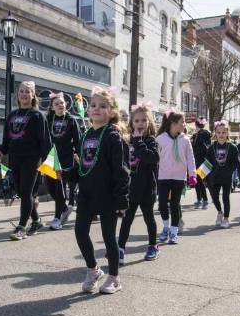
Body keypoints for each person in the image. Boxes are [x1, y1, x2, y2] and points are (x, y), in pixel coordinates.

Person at [76, 86, 129, 294]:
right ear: (88, 110)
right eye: (93, 105)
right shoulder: (86, 134)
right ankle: (93, 269)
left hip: (108, 195)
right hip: (87, 194)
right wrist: (68, 172)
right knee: (80, 232)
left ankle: (114, 277)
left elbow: (122, 170)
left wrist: (121, 199)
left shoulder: (114, 136)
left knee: (109, 238)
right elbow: (84, 166)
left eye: (103, 106)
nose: (97, 109)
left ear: (112, 111)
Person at [0, 81, 51, 240]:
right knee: (21, 192)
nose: (24, 94)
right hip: (15, 159)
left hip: (32, 159)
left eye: (28, 91)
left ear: (33, 95)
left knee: (26, 192)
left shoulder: (37, 115)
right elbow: (7, 139)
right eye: (21, 91)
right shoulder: (12, 115)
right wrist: (1, 151)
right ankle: (36, 220)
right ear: (17, 94)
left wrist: (48, 163)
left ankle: (21, 227)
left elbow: (45, 141)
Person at [118, 101, 160, 263]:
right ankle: (120, 248)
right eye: (136, 121)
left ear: (149, 122)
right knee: (127, 219)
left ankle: (153, 245)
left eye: (143, 120)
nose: (140, 124)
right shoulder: (127, 141)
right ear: (131, 123)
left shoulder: (150, 141)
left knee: (149, 218)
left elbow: (152, 157)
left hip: (147, 188)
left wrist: (138, 141)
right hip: (131, 189)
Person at [156, 110, 196, 243]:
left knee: (174, 205)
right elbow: (155, 158)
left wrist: (192, 174)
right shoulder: (160, 139)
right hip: (163, 177)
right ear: (173, 123)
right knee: (162, 204)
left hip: (179, 178)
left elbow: (190, 158)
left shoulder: (185, 140)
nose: (184, 124)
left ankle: (174, 232)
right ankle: (166, 227)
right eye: (182, 122)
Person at [45, 92, 80, 230]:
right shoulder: (48, 119)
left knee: (59, 187)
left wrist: (78, 153)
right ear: (52, 107)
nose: (60, 105)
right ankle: (65, 208)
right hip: (50, 157)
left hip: (65, 158)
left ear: (66, 105)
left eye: (62, 103)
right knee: (50, 187)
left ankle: (57, 218)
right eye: (56, 104)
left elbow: (78, 140)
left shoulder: (71, 120)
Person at [206, 120, 239, 228]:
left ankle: (226, 218)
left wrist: (230, 171)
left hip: (226, 177)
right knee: (214, 197)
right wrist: (201, 176)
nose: (221, 135)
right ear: (215, 133)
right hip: (214, 177)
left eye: (223, 132)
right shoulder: (211, 147)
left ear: (227, 133)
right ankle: (220, 212)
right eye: (219, 132)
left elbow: (236, 162)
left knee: (226, 198)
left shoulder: (233, 147)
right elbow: (207, 161)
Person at [191, 117, 211, 210]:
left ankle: (205, 200)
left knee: (200, 181)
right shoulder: (197, 135)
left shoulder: (202, 134)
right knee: (197, 181)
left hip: (202, 160)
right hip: (199, 160)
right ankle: (199, 199)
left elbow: (204, 147)